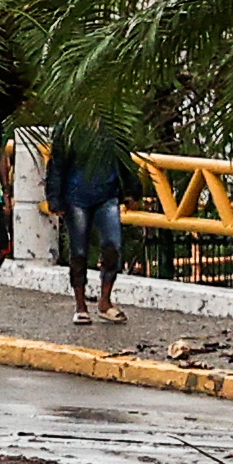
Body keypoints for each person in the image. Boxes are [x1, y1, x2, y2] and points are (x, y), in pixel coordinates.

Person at [47, 111, 134, 323]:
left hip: (107, 194)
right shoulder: (67, 129)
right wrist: (55, 199)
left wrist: (130, 189)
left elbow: (124, 159)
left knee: (113, 246)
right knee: (78, 251)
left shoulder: (113, 126)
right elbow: (56, 165)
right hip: (76, 196)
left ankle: (105, 301)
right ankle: (80, 305)